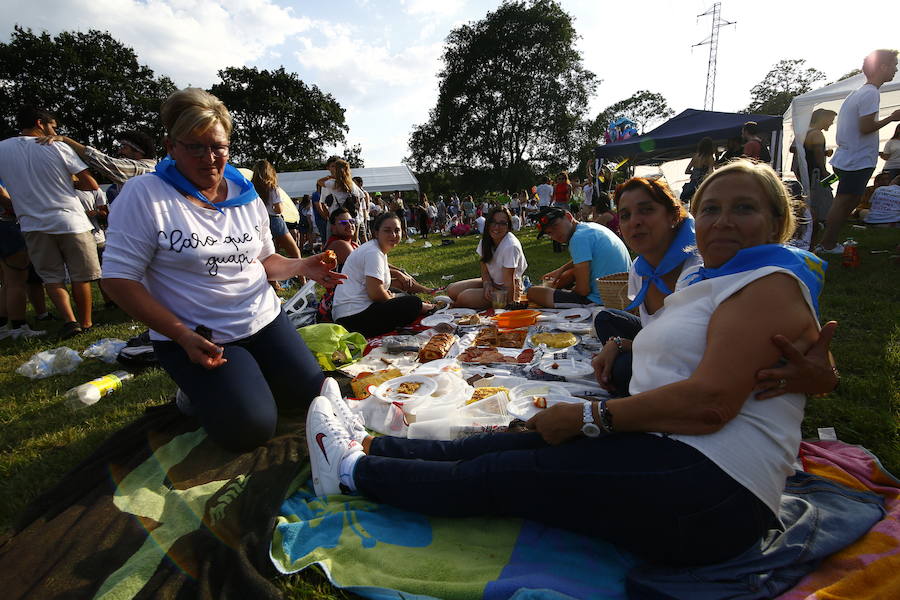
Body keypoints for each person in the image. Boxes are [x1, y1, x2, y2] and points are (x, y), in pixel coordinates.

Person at [306, 159, 834, 568]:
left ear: (776, 220)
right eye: (713, 208)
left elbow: (710, 405)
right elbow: (679, 348)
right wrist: (622, 353)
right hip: (671, 443)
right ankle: (372, 443)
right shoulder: (714, 279)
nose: (721, 222)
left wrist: (589, 417)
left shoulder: (768, 283)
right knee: (511, 438)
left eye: (743, 209)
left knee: (508, 473)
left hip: (714, 491)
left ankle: (352, 473)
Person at [100, 88, 344, 452]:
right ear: (171, 146)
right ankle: (195, 392)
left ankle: (244, 379)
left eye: (218, 146)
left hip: (263, 320)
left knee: (311, 397)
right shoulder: (144, 195)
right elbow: (118, 281)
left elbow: (264, 263)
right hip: (198, 336)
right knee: (250, 429)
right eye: (194, 147)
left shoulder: (243, 190)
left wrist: (302, 266)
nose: (209, 158)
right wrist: (180, 335)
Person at [0, 106, 102, 338]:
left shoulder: (2, 148)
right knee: (80, 275)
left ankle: (70, 320)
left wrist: (12, 205)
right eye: (53, 127)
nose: (54, 131)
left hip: (32, 223)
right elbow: (91, 184)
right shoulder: (56, 145)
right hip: (70, 220)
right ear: (40, 123)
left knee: (51, 277)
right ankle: (86, 323)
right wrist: (69, 182)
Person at [818, 49, 900, 254]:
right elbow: (865, 127)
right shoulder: (871, 93)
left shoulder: (858, 93)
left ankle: (828, 242)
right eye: (893, 65)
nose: (896, 69)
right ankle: (827, 245)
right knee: (844, 201)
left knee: (847, 200)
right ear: (882, 67)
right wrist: (892, 118)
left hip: (848, 158)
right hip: (856, 159)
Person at [332, 212, 433, 338]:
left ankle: (423, 304)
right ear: (376, 233)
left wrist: (392, 294)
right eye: (387, 231)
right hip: (352, 320)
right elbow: (375, 293)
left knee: (398, 292)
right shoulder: (373, 252)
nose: (393, 235)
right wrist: (391, 299)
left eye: (397, 230)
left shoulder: (375, 249)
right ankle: (425, 307)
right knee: (414, 303)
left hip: (349, 313)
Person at [526, 206, 631, 308]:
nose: (555, 235)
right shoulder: (589, 228)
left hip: (601, 300)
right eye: (549, 233)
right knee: (568, 275)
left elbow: (583, 290)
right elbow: (586, 257)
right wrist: (561, 270)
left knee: (532, 292)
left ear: (568, 217)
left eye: (555, 226)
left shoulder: (578, 239)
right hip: (623, 292)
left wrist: (569, 291)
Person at [445, 207, 527, 309]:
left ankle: (453, 306)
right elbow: (484, 271)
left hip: (508, 290)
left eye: (502, 223)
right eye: (493, 222)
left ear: (508, 226)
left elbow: (508, 282)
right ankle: (457, 304)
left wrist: (510, 305)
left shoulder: (511, 246)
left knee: (464, 297)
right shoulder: (486, 241)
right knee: (451, 290)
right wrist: (487, 284)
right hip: (493, 282)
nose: (496, 227)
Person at [0, 182, 46, 339]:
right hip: (7, 226)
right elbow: (4, 198)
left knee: (8, 281)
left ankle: (2, 326)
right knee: (16, 281)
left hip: (4, 227)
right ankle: (19, 326)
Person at [35, 129, 157, 187]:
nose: (120, 151)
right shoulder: (152, 169)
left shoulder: (141, 169)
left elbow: (106, 162)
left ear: (138, 151)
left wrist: (66, 140)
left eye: (124, 147)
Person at [251, 159, 301, 290]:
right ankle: (303, 280)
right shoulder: (272, 187)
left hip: (259, 221)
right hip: (275, 220)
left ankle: (274, 283)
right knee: (294, 251)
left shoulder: (251, 187)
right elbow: (278, 209)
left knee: (269, 255)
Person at [803, 109, 838, 225]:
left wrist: (824, 152)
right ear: (823, 119)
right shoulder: (817, 133)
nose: (831, 123)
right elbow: (817, 154)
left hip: (808, 171)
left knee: (813, 197)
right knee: (823, 198)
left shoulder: (806, 132)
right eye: (831, 120)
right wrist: (824, 171)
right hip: (817, 172)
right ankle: (822, 222)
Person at [682, 137, 715, 202]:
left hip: (693, 184)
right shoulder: (709, 158)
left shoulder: (695, 156)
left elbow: (687, 171)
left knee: (693, 203)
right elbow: (710, 172)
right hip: (702, 184)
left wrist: (695, 172)